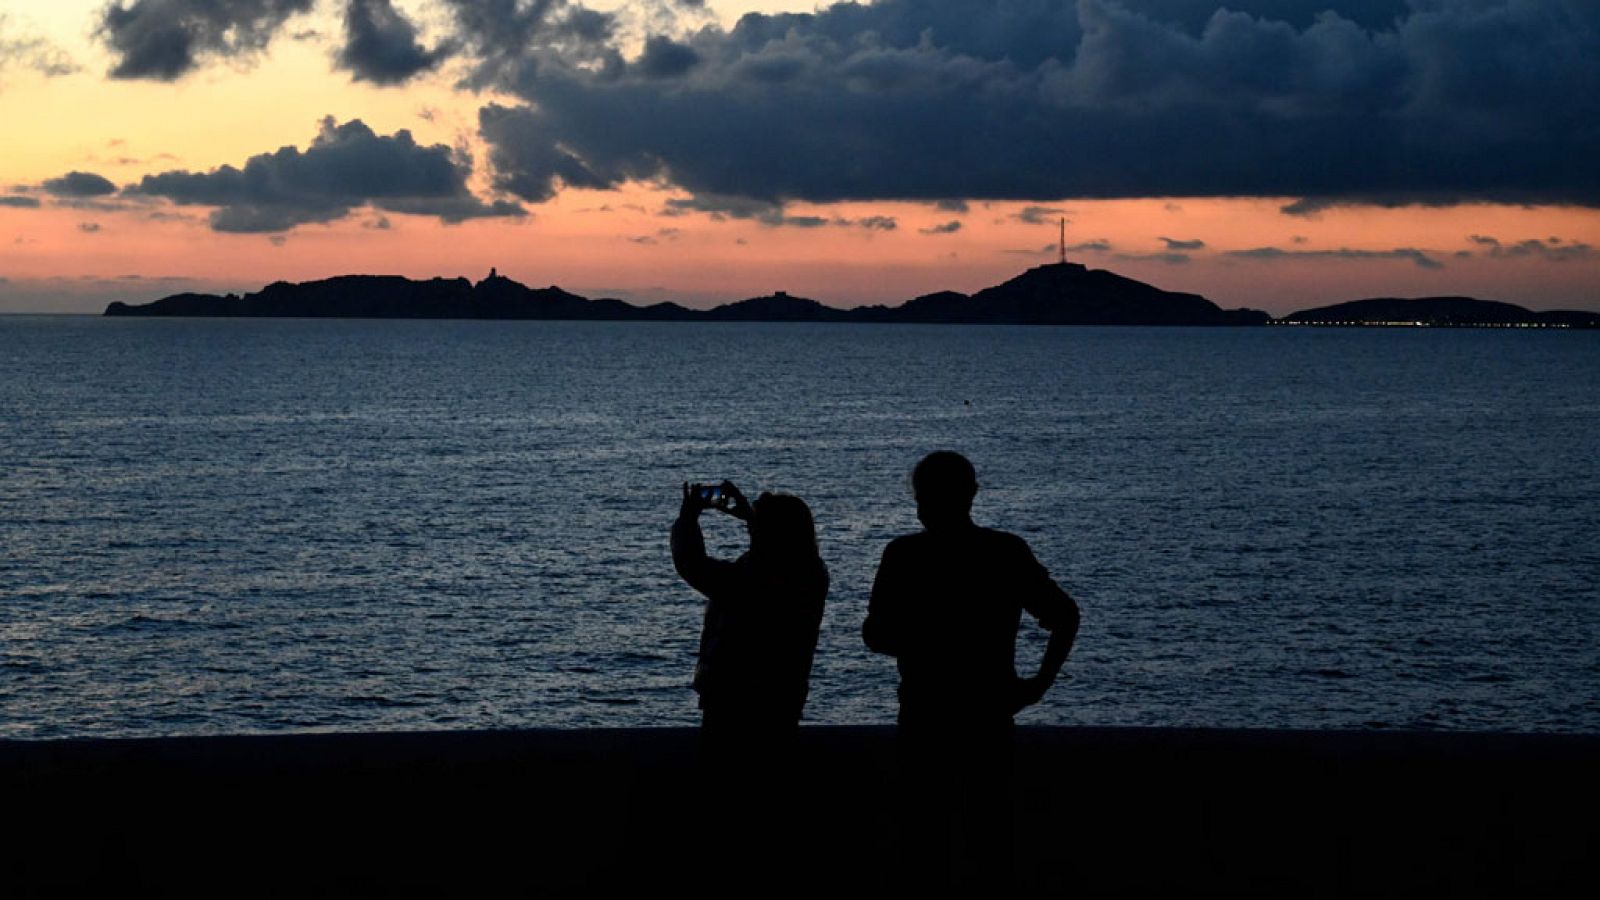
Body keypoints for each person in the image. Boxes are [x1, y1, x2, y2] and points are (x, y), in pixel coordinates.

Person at [863, 451, 1081, 889]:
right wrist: (1037, 685)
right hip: (989, 716)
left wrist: (924, 641)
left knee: (921, 843)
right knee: (990, 840)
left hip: (925, 717)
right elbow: (1065, 616)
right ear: (972, 494)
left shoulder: (903, 555)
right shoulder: (1005, 552)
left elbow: (875, 634)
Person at [672, 480, 829, 743]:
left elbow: (692, 564)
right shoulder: (810, 573)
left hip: (735, 703)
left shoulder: (752, 579)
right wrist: (749, 515)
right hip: (782, 701)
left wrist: (688, 519)